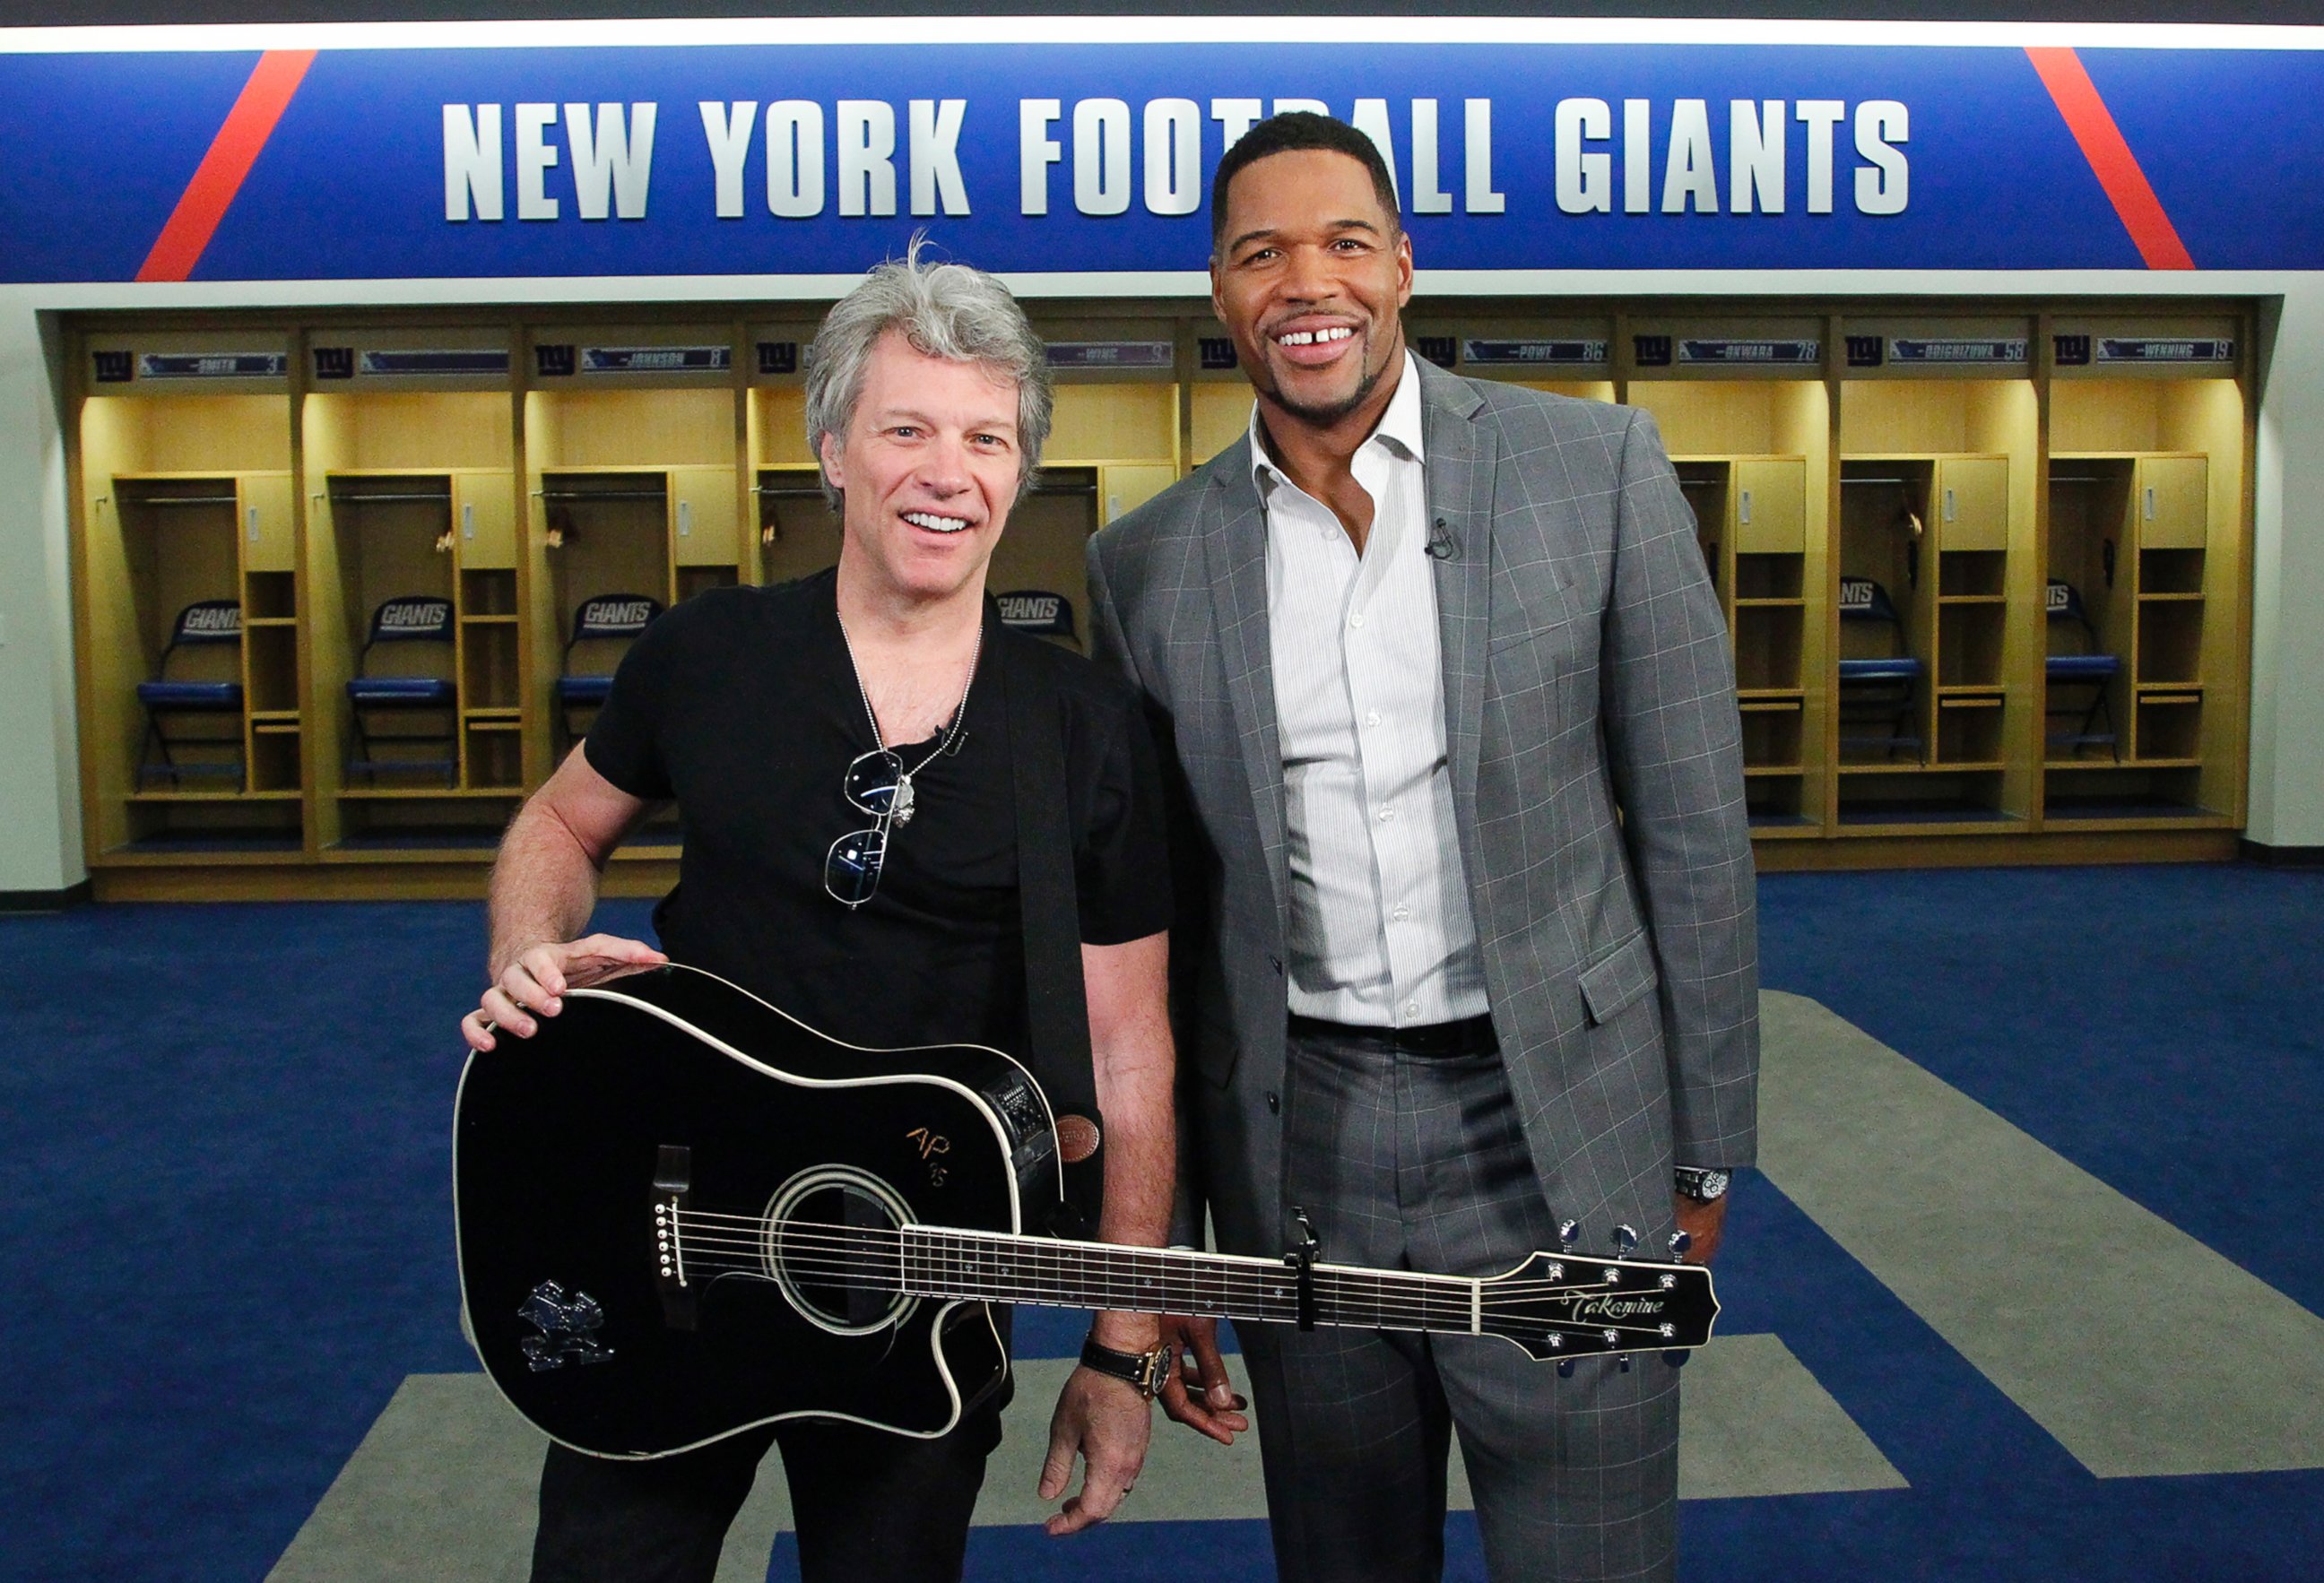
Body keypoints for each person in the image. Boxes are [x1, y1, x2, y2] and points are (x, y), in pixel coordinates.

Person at [1086, 112, 1760, 1583]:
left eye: (1341, 241)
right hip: (1299, 1149)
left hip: (1561, 1128)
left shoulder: (1596, 469)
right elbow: (1168, 931)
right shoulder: (1142, 563)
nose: (1304, 282)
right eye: (1261, 252)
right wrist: (1174, 1236)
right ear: (1220, 290)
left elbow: (1698, 828)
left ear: (1404, 264)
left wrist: (1707, 1146)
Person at [460, 244, 1179, 1583]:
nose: (946, 471)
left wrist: (1119, 1344)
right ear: (835, 449)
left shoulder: (1081, 725)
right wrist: (530, 946)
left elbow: (1129, 1047)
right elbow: (558, 825)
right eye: (905, 427)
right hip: (662, 1228)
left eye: (984, 436)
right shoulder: (705, 653)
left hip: (912, 1280)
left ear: (1020, 469)